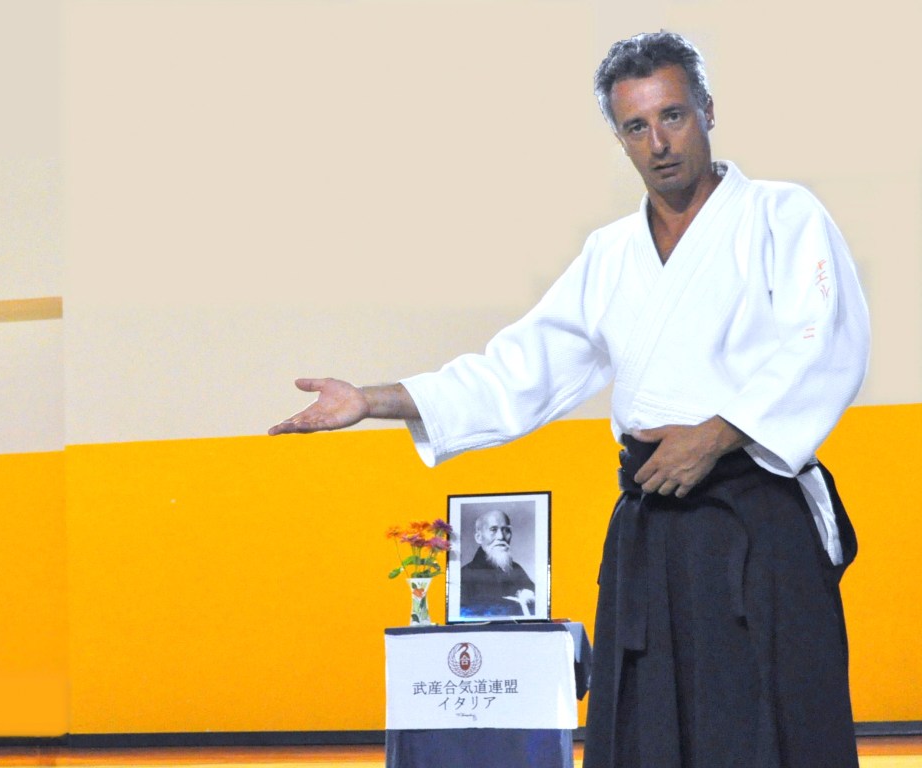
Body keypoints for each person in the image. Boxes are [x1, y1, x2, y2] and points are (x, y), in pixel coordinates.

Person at [268, 31, 869, 768]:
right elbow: (519, 369)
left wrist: (717, 434)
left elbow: (820, 341)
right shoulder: (610, 255)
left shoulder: (783, 215)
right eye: (636, 127)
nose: (659, 143)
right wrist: (371, 400)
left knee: (765, 721)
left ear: (708, 110)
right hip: (654, 526)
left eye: (673, 116)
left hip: (754, 516)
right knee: (650, 731)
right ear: (620, 139)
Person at [460, 509, 536, 617]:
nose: (501, 536)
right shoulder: (464, 575)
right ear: (479, 537)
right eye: (493, 530)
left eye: (506, 530)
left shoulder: (516, 569)